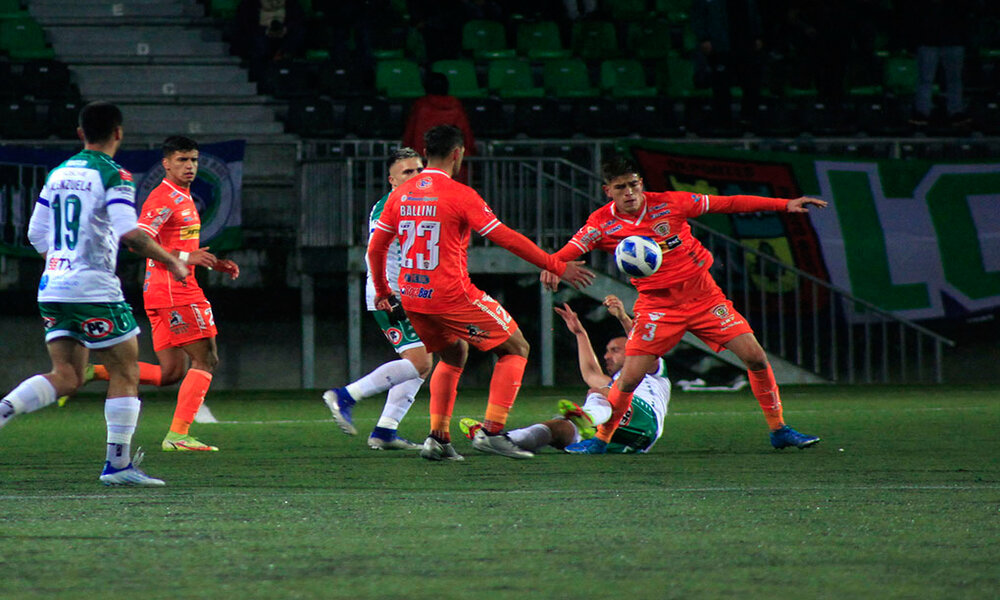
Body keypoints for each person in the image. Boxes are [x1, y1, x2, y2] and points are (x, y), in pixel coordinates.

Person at [541, 155, 824, 454]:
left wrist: (783, 204)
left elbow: (727, 204)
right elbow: (571, 249)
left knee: (755, 357)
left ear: (641, 184)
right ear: (607, 190)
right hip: (657, 308)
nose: (629, 192)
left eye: (634, 185)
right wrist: (553, 264)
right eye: (621, 187)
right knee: (628, 379)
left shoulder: (670, 203)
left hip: (704, 298)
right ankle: (601, 440)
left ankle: (779, 429)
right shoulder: (601, 223)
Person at [367, 124, 593, 461]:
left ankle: (438, 439)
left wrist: (385, 291)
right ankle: (492, 431)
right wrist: (557, 265)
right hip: (452, 295)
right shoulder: (460, 194)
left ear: (426, 154)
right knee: (516, 348)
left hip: (413, 298)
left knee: (453, 356)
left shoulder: (400, 195)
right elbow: (506, 237)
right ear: (458, 154)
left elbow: (375, 249)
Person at [0, 101, 189, 485]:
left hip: (53, 285)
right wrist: (172, 260)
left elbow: (36, 234)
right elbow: (130, 234)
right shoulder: (114, 174)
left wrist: (62, 263)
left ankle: (5, 408)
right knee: (125, 370)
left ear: (81, 133)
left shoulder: (58, 173)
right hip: (94, 289)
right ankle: (117, 466)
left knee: (67, 376)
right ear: (118, 133)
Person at [87, 137, 240, 452]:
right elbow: (139, 241)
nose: (190, 166)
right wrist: (185, 259)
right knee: (206, 358)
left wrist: (209, 261)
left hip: (163, 290)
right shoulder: (163, 198)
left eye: (194, 160)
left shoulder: (183, 197)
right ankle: (179, 435)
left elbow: (179, 247)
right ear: (166, 164)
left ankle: (93, 371)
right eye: (183, 160)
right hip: (174, 291)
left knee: (171, 373)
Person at [461, 295, 671, 455]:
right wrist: (580, 333)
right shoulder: (615, 384)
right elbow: (590, 373)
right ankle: (498, 439)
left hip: (646, 422)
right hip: (624, 440)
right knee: (559, 429)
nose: (607, 356)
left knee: (602, 392)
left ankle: (587, 418)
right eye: (607, 350)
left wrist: (623, 318)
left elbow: (643, 345)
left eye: (615, 350)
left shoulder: (652, 372)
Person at [322, 148, 431, 450]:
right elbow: (376, 252)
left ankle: (385, 431)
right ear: (392, 179)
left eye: (419, 170)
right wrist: (386, 293)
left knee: (423, 363)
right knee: (420, 361)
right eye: (407, 172)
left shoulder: (418, 203)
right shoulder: (392, 206)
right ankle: (345, 395)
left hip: (413, 293)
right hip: (392, 295)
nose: (416, 176)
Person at [690, 0, 764, 129]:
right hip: (720, 45)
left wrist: (757, 34)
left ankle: (748, 118)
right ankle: (723, 120)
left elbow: (753, 13)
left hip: (744, 43)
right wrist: (704, 37)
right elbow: (698, 15)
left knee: (750, 83)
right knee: (721, 85)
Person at [401, 72, 475, 182]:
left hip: (424, 166)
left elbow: (410, 136)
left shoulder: (420, 106)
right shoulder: (456, 106)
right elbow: (467, 138)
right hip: (452, 169)